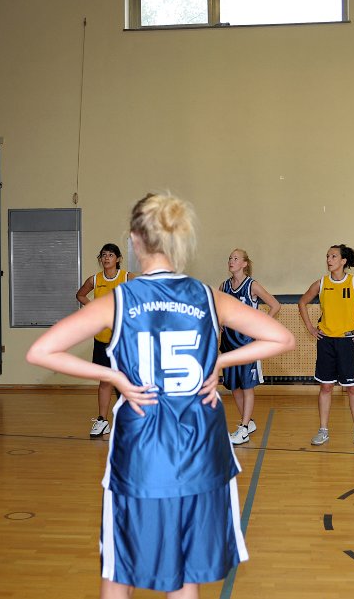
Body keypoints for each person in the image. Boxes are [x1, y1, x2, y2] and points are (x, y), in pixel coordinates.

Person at [26, 193, 294, 598]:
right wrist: (219, 362)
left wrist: (113, 375)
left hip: (143, 448)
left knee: (120, 571)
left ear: (135, 240)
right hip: (199, 447)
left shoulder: (120, 299)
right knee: (185, 574)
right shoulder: (208, 296)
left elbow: (41, 351)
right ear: (180, 241)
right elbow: (282, 338)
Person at [298, 244, 354, 449]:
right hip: (326, 341)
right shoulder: (321, 283)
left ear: (343, 261)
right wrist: (310, 327)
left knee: (353, 388)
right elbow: (302, 303)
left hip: (348, 342)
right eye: (327, 256)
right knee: (326, 387)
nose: (329, 259)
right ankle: (323, 430)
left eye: (333, 256)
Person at [219, 249, 282, 445]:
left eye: (235, 258)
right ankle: (248, 423)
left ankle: (244, 428)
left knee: (247, 386)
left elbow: (275, 305)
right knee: (234, 387)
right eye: (230, 258)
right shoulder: (224, 286)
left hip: (247, 344)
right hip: (229, 343)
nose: (231, 261)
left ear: (244, 264)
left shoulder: (251, 285)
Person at [76, 243, 133, 438]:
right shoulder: (95, 279)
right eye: (103, 255)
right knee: (105, 382)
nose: (106, 258)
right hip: (102, 340)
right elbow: (80, 294)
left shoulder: (127, 278)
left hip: (123, 340)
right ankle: (102, 421)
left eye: (110, 255)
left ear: (118, 259)